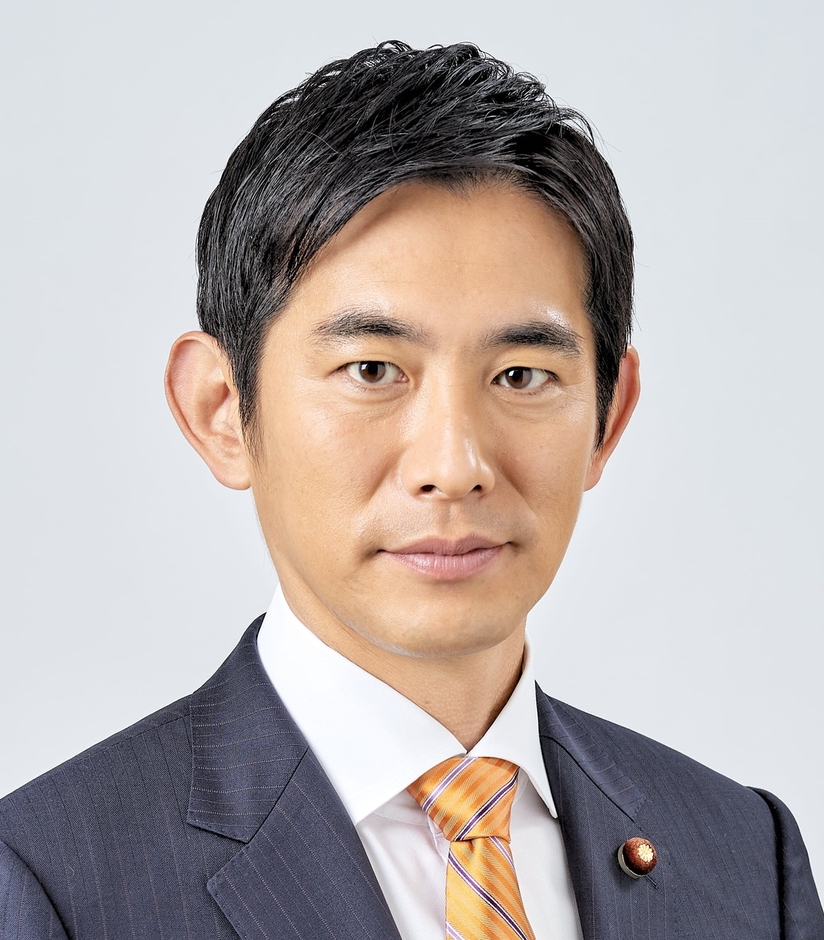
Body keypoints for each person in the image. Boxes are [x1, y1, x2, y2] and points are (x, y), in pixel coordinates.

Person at [0, 40, 820, 940]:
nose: (454, 464)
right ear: (221, 411)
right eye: (372, 369)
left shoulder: (744, 856)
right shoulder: (50, 882)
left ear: (608, 417)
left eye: (521, 375)